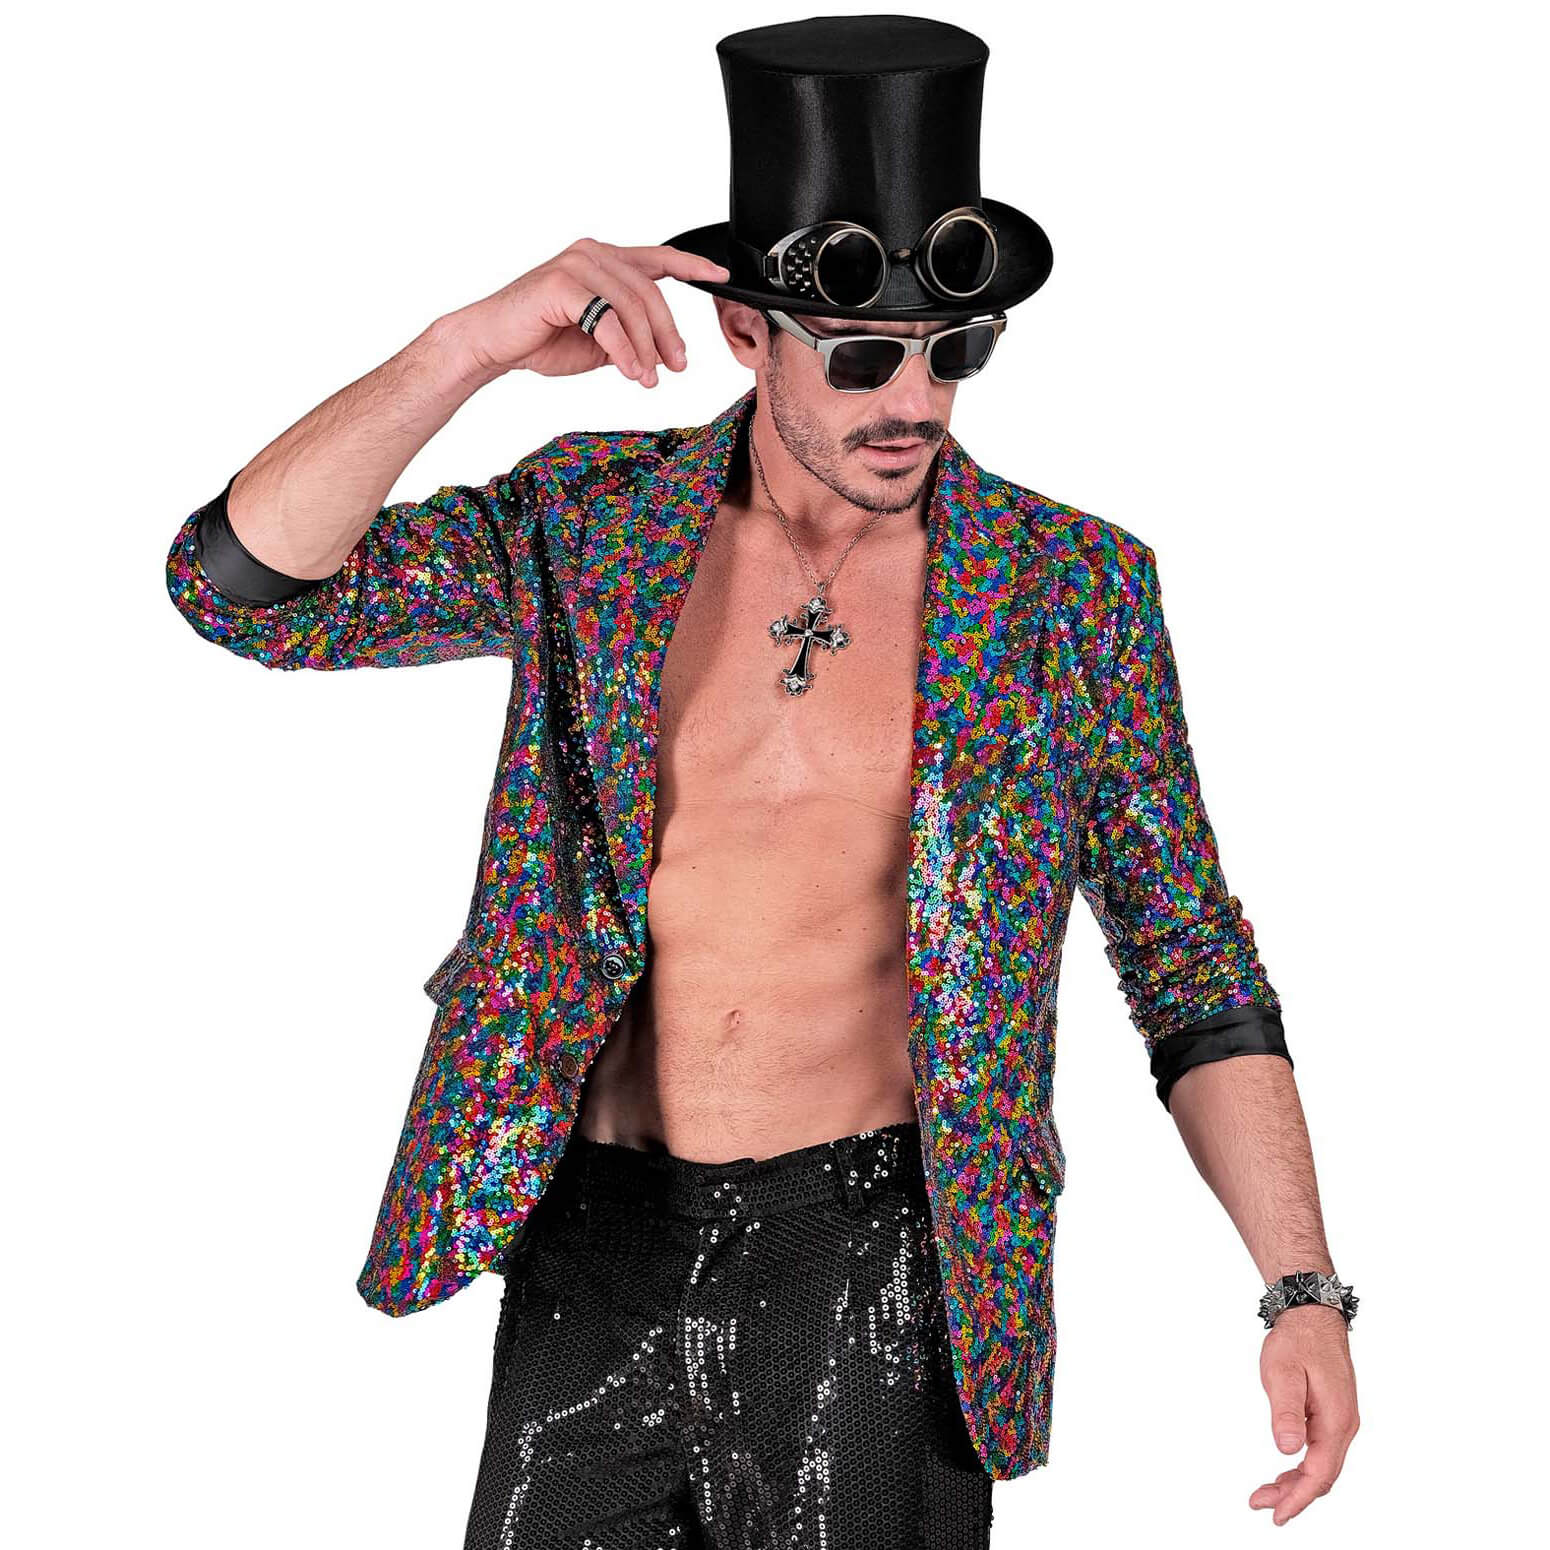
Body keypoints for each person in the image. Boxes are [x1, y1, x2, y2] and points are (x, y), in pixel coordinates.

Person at [164, 16, 1359, 1548]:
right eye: (862, 354)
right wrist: (464, 348)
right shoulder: (589, 528)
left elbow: (1188, 962)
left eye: (954, 349)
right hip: (592, 1241)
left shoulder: (1067, 590)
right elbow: (243, 590)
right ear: (745, 331)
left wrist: (1300, 1287)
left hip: (877, 1263)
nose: (913, 399)